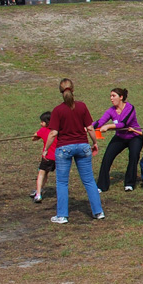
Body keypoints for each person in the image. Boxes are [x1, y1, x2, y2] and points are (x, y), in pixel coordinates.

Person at [44, 78, 104, 223]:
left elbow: (53, 133)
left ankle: (62, 215)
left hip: (64, 148)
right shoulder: (82, 107)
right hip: (83, 146)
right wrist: (95, 142)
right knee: (89, 181)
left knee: (62, 182)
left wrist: (46, 149)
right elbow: (90, 128)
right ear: (73, 90)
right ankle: (98, 212)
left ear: (61, 92)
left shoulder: (58, 110)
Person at [94, 87, 143, 192]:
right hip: (120, 137)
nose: (111, 98)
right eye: (110, 96)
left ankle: (129, 183)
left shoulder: (130, 108)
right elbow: (100, 122)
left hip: (134, 136)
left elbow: (123, 123)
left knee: (133, 157)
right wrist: (88, 127)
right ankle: (102, 186)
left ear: (121, 97)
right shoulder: (111, 110)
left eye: (113, 96)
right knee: (107, 157)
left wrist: (108, 126)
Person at [31, 110, 56, 203]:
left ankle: (38, 195)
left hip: (47, 157)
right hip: (57, 157)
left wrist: (36, 135)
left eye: (42, 122)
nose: (40, 123)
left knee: (41, 174)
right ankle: (39, 189)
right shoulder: (57, 130)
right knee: (46, 173)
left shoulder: (43, 130)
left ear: (47, 122)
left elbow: (33, 138)